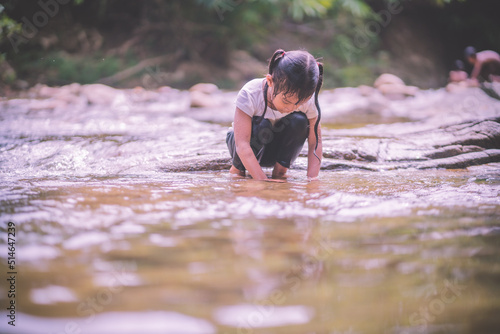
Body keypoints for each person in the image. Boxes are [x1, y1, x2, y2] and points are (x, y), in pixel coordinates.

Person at [226, 49, 323, 182]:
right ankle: (237, 170)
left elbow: (315, 142)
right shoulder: (250, 93)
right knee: (262, 123)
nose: (291, 108)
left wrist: (313, 180)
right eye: (286, 101)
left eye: (298, 104)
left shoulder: (307, 99)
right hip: (245, 147)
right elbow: (242, 145)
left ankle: (280, 171)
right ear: (270, 81)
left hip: (275, 151)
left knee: (299, 120)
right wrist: (263, 181)